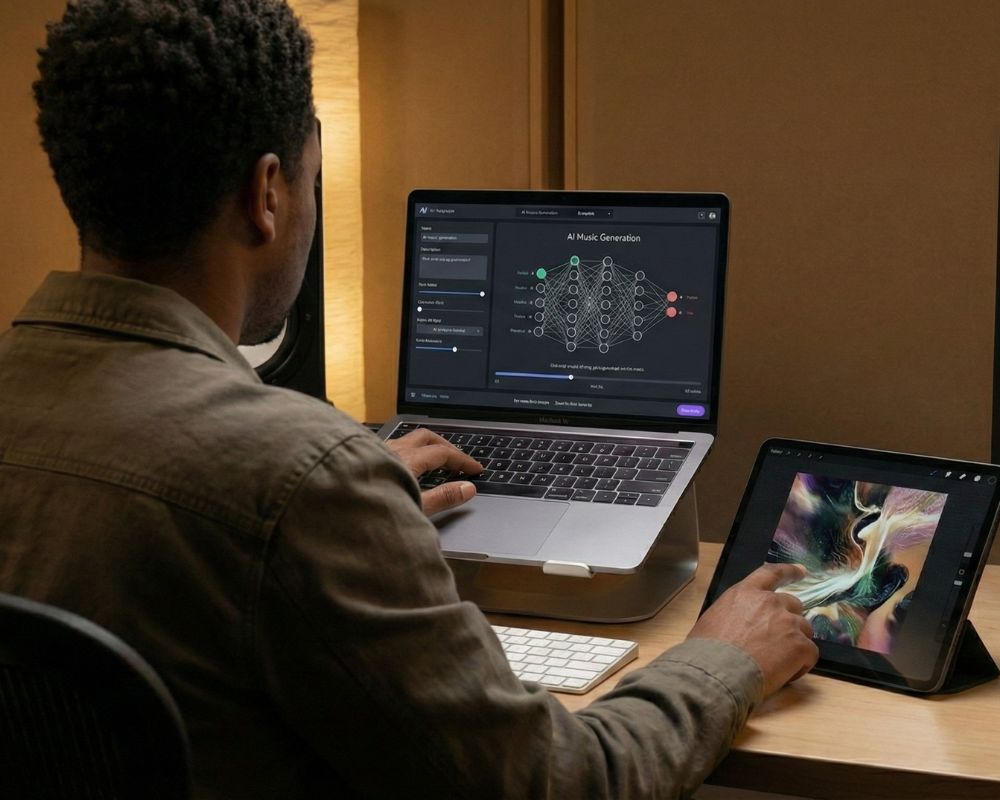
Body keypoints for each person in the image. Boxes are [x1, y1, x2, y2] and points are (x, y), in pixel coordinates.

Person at [0, 0, 818, 797]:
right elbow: (562, 781)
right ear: (268, 194)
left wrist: (350, 506)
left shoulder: (298, 484)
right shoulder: (299, 483)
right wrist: (724, 659)